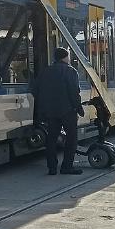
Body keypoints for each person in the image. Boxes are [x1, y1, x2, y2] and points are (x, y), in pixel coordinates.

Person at [33, 47, 85, 175]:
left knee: (51, 139)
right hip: (67, 111)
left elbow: (35, 90)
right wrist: (79, 108)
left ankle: (52, 168)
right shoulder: (70, 71)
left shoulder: (45, 72)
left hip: (50, 112)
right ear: (65, 57)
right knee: (71, 139)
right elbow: (74, 92)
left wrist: (44, 107)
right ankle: (67, 166)